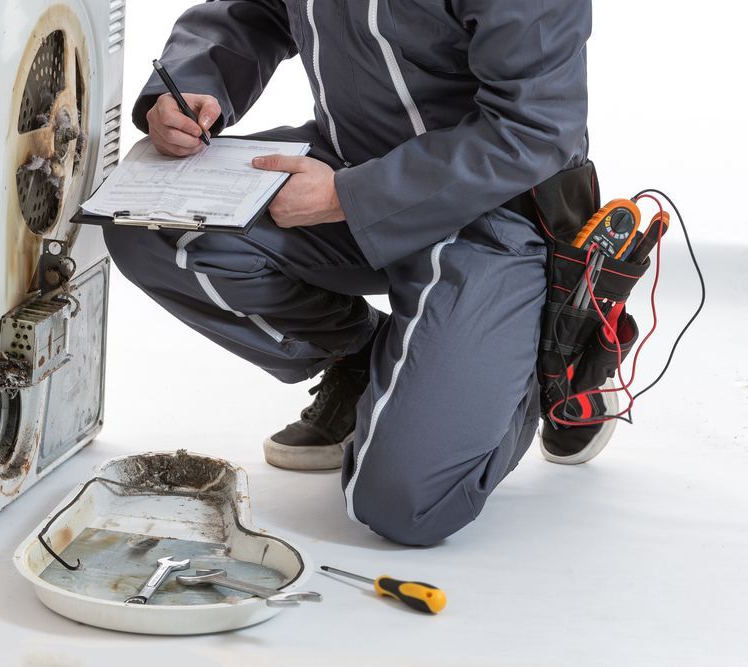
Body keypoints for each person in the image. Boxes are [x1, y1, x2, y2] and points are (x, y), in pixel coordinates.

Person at [104, 0, 606, 546]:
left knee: (405, 505)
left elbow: (534, 131)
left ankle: (551, 364)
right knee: (151, 221)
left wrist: (349, 197)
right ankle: (360, 358)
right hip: (344, 162)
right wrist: (187, 89)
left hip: (496, 214)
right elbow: (252, 11)